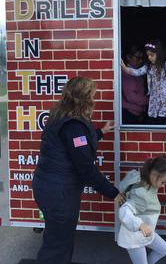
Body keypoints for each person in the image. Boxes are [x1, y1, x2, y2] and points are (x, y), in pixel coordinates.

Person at [32, 76, 125, 264]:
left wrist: (100, 132)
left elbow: (75, 146)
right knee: (58, 245)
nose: (95, 98)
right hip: (60, 192)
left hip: (48, 187)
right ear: (83, 98)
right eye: (92, 95)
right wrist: (113, 193)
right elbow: (85, 167)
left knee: (56, 239)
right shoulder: (74, 124)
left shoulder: (61, 115)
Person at [117, 156, 166, 264]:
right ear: (154, 176)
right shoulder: (141, 193)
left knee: (164, 249)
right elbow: (124, 211)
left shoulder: (146, 183)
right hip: (134, 238)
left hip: (145, 233)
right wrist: (140, 225)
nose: (163, 186)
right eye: (163, 182)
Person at [121, 40, 166, 125]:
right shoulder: (149, 66)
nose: (149, 57)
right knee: (153, 121)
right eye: (148, 55)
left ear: (159, 54)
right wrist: (127, 70)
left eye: (151, 55)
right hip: (154, 98)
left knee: (161, 120)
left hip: (165, 99)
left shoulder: (165, 65)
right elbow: (138, 71)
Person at [122, 45, 148, 124]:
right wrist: (149, 100)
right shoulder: (127, 74)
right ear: (128, 57)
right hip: (129, 113)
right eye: (138, 58)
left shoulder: (135, 71)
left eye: (142, 58)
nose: (140, 61)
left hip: (134, 112)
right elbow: (131, 96)